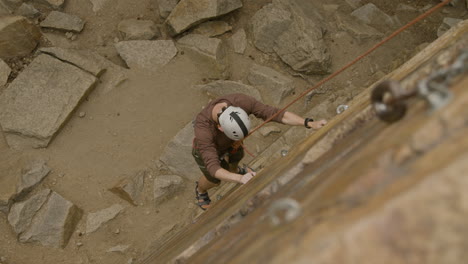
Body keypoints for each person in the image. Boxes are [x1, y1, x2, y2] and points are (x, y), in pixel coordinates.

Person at [192, 93, 327, 210]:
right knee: (215, 180)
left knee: (236, 159)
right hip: (209, 151)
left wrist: (309, 123)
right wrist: (240, 179)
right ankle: (200, 190)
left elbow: (276, 114)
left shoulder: (242, 101)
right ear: (220, 127)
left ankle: (235, 170)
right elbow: (213, 167)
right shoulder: (203, 129)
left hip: (234, 143)